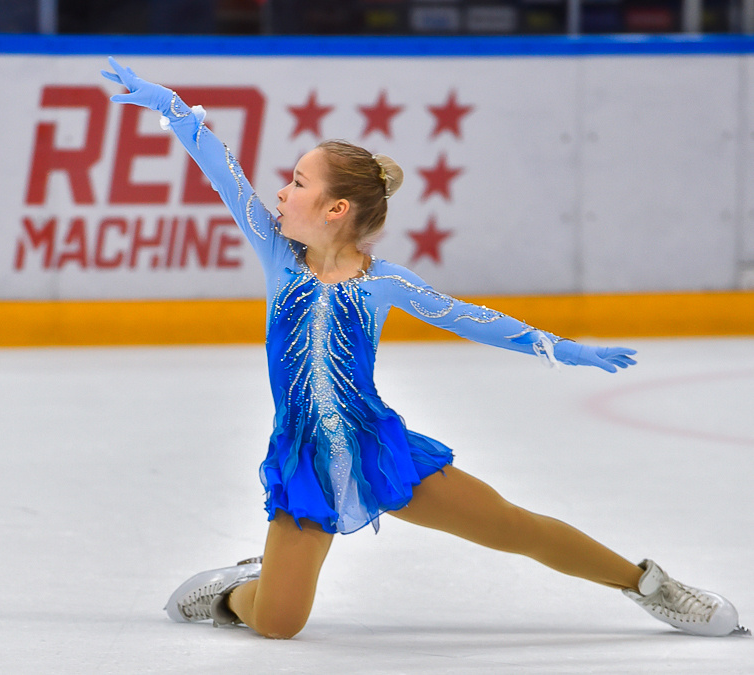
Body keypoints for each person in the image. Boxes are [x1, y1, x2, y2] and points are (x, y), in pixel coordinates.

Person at [101, 58, 745, 640]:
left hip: (382, 451)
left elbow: (469, 318)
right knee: (276, 624)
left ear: (336, 208)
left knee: (515, 528)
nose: (281, 193)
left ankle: (651, 587)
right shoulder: (278, 256)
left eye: (298, 182)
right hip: (307, 460)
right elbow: (222, 170)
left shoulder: (384, 283)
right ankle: (239, 588)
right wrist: (175, 111)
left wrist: (557, 347)